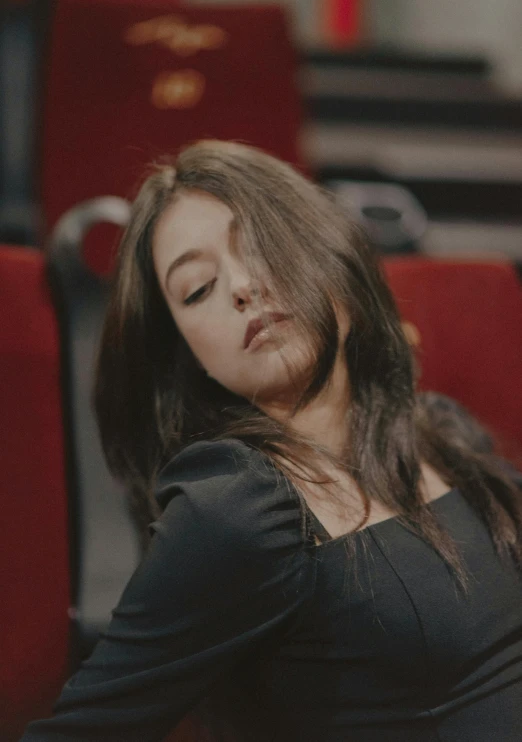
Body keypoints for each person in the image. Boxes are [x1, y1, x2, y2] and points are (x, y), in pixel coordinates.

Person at [21, 140, 522, 741]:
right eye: (199, 288)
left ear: (328, 254)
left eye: (259, 245)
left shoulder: (439, 429)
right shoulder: (242, 509)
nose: (240, 286)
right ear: (190, 358)